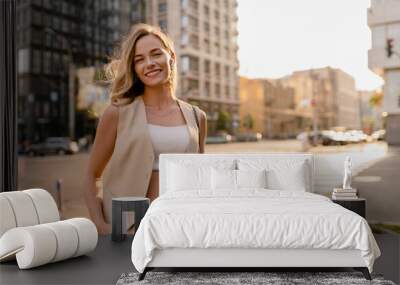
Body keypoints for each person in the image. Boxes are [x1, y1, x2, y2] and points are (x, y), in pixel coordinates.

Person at [84, 24, 207, 234]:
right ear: (133, 68)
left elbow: (201, 177)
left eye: (156, 54)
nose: (149, 64)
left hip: (180, 227)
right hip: (128, 230)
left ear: (172, 57)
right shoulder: (117, 113)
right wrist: (100, 225)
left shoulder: (197, 116)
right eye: (139, 59)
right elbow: (91, 175)